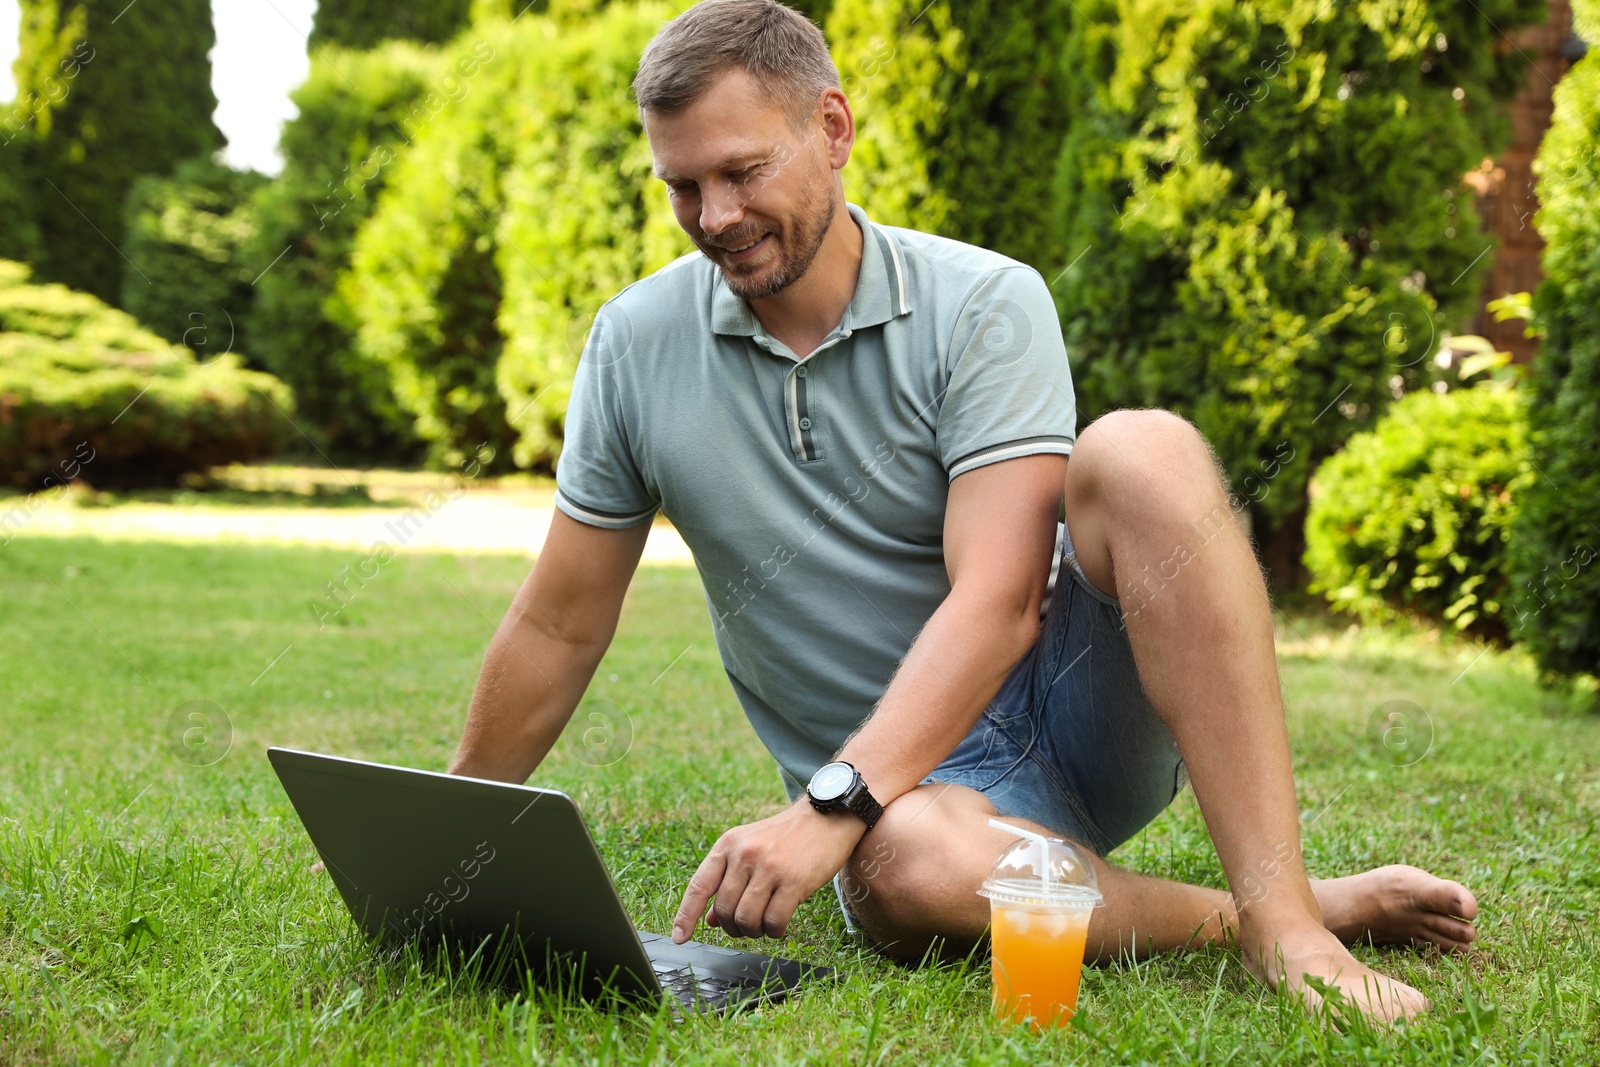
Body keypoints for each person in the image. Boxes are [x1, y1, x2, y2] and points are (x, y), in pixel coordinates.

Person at [448, 0, 1479, 1024]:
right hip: (916, 813)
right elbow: (559, 621)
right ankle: (1256, 912)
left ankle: (1288, 921)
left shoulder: (985, 301)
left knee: (1144, 448)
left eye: (742, 171)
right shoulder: (634, 346)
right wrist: (444, 840)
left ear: (833, 128)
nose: (714, 215)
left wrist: (826, 804)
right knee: (906, 874)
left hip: (1077, 716)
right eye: (683, 185)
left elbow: (999, 598)